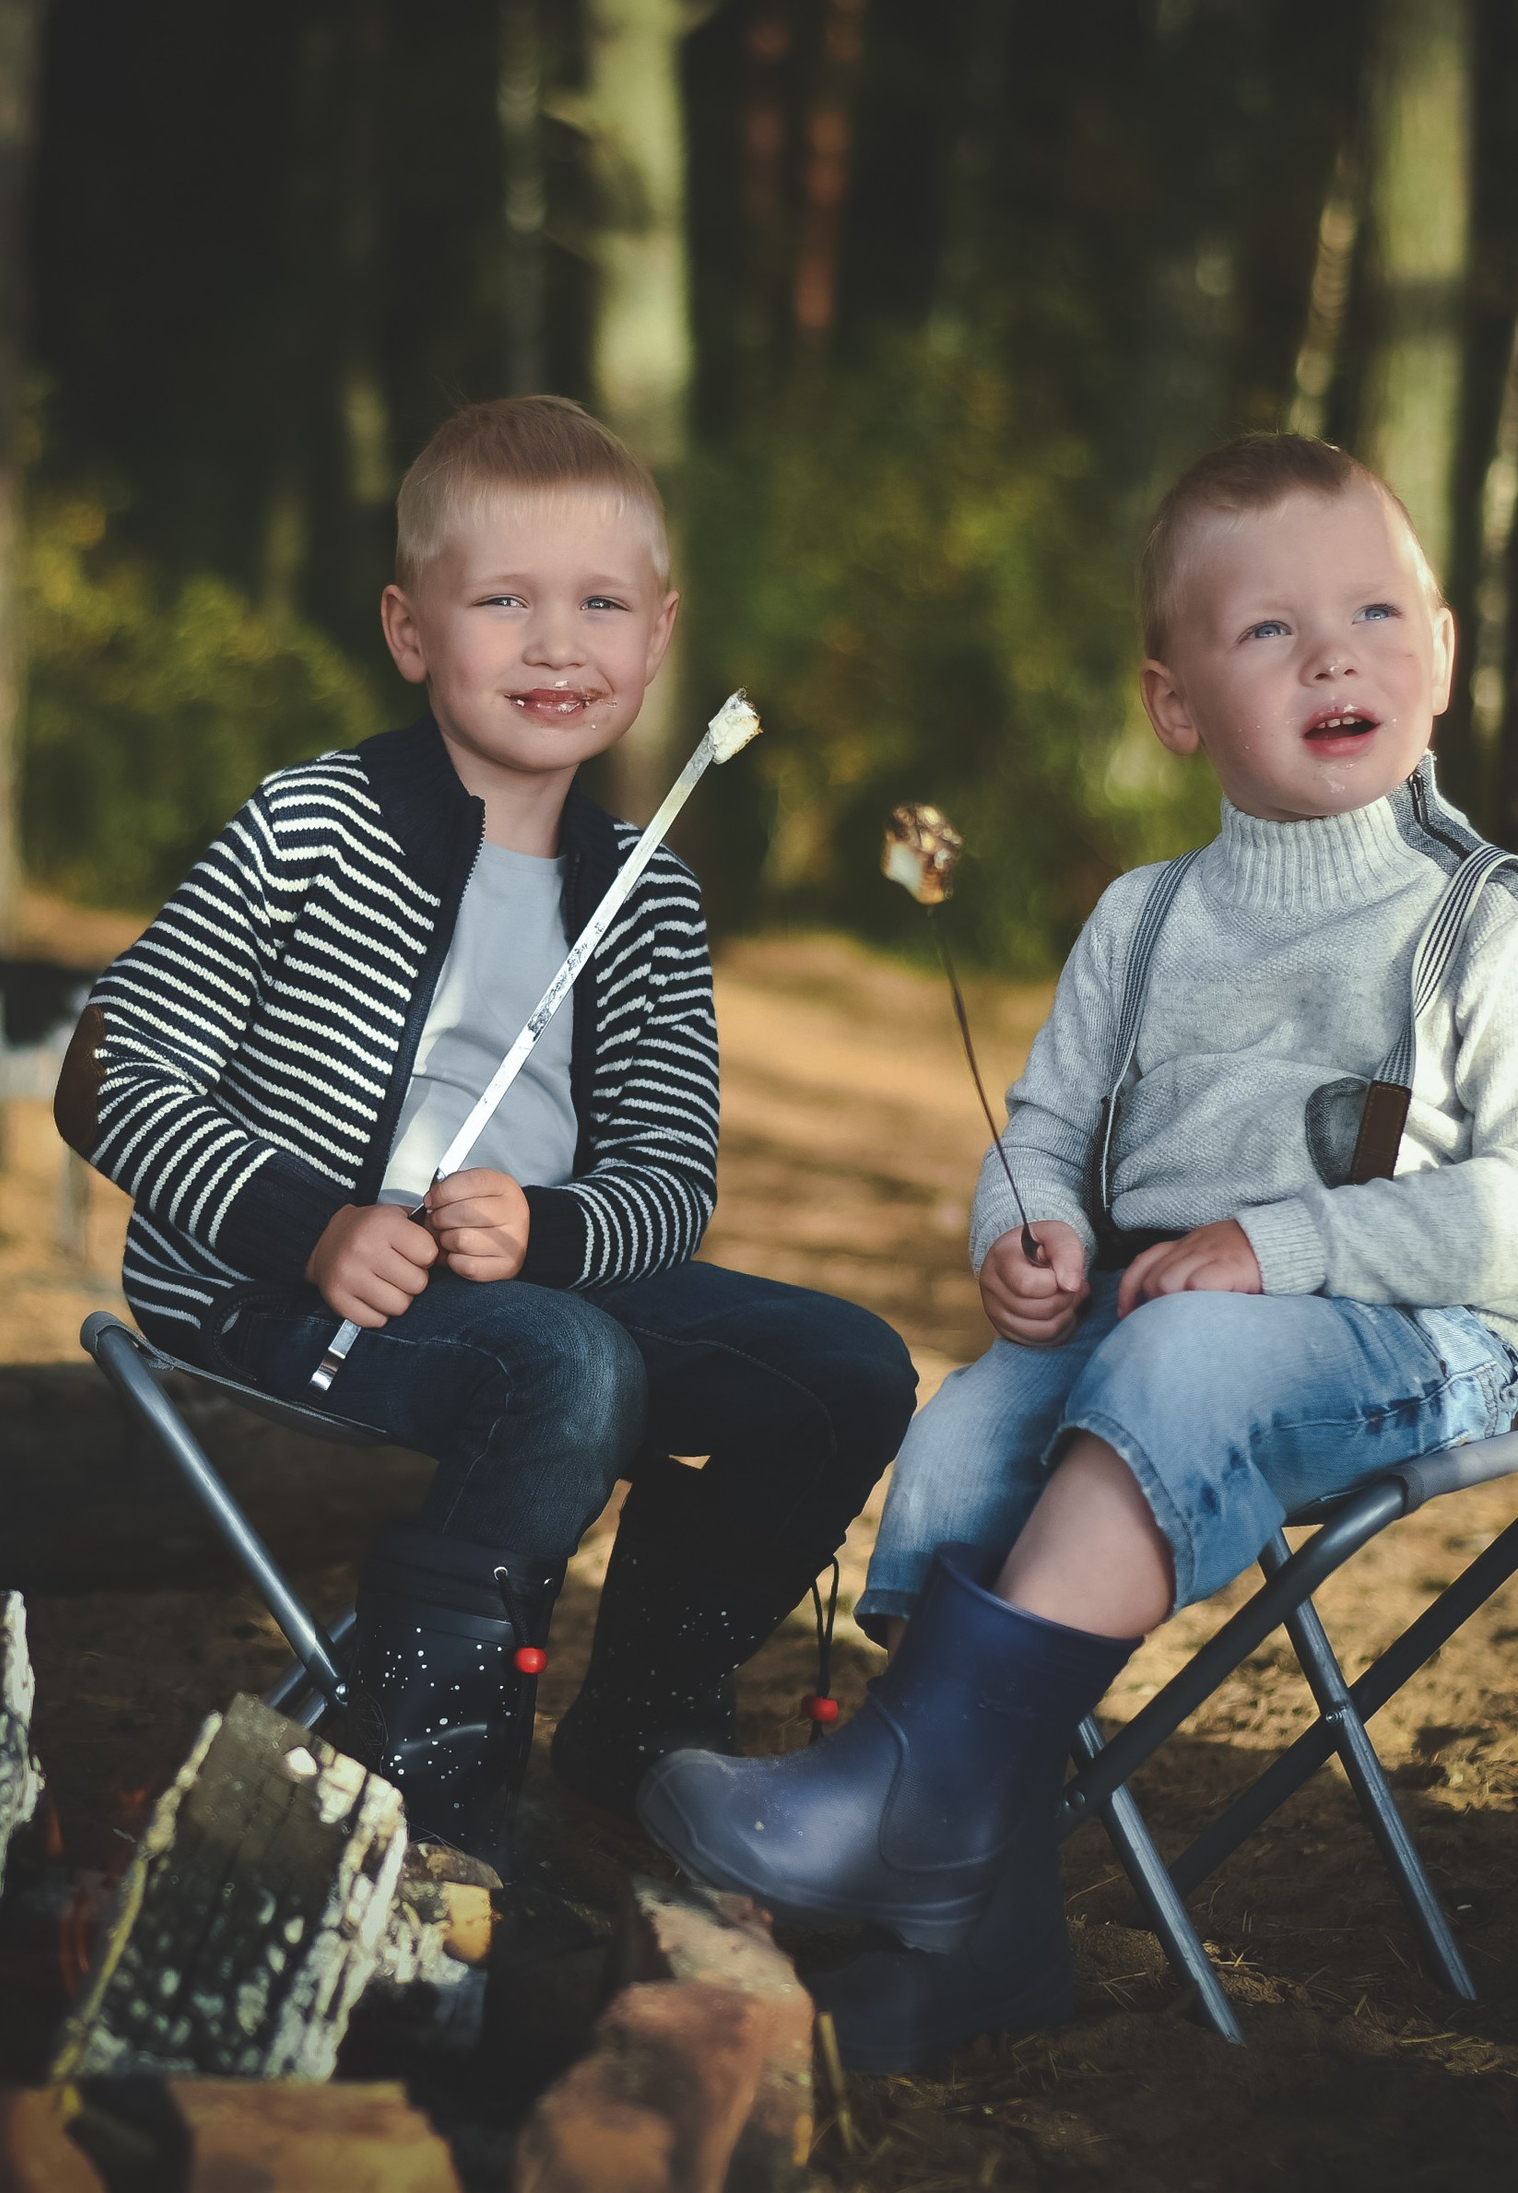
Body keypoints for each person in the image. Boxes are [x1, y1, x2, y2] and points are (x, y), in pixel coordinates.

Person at [639, 433, 1518, 2066]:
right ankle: (983, 1927)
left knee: (1171, 1352)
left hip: (1403, 1341)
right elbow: (1040, 1131)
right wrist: (1025, 1224)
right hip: (1142, 1330)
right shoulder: (1144, 920)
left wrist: (1281, 1243)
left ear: (1442, 656)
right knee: (966, 1430)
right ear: (1175, 705)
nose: (1334, 654)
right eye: (1267, 631)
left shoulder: (1496, 926)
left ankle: (915, 1799)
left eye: (1378, 613)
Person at [71, 395, 916, 1861]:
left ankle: (638, 1726)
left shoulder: (646, 896)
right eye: (503, 601)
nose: (554, 643)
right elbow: (116, 1066)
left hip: (528, 1277)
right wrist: (305, 1225)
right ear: (412, 632)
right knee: (566, 1364)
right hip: (280, 1292)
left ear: (659, 639)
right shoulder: (314, 824)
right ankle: (429, 1787)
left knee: (843, 1369)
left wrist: (554, 1226)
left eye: (599, 604)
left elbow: (669, 1176)